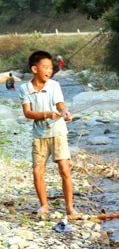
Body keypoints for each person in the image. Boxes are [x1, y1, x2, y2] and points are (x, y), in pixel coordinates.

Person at [19, 50, 78, 216]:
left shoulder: (54, 85)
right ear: (34, 69)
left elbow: (60, 106)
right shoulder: (25, 88)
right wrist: (46, 114)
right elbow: (27, 113)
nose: (49, 70)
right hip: (39, 136)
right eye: (45, 67)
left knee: (65, 170)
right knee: (37, 171)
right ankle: (44, 206)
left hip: (58, 133)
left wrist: (65, 113)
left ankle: (69, 207)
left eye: (51, 68)